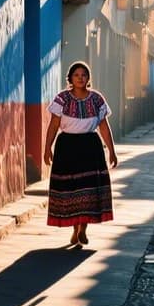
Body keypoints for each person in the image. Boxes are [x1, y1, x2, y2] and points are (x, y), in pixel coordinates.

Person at [43, 61, 118, 246]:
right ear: (70, 78)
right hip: (67, 147)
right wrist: (47, 148)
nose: (80, 78)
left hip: (90, 147)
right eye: (76, 75)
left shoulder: (97, 99)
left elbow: (104, 127)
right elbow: (53, 125)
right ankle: (74, 229)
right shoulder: (62, 99)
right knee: (71, 190)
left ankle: (83, 229)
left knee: (88, 190)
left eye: (84, 75)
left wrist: (112, 151)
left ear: (88, 78)